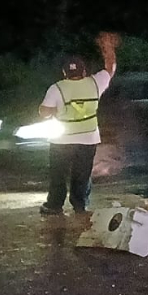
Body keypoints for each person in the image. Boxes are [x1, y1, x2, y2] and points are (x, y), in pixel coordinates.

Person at [38, 33, 120, 215]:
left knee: (58, 174)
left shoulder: (57, 88)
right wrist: (108, 48)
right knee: (82, 174)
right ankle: (79, 205)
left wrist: (54, 111)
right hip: (88, 139)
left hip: (61, 141)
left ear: (65, 73)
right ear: (84, 72)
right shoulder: (95, 83)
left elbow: (44, 112)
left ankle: (54, 205)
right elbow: (110, 68)